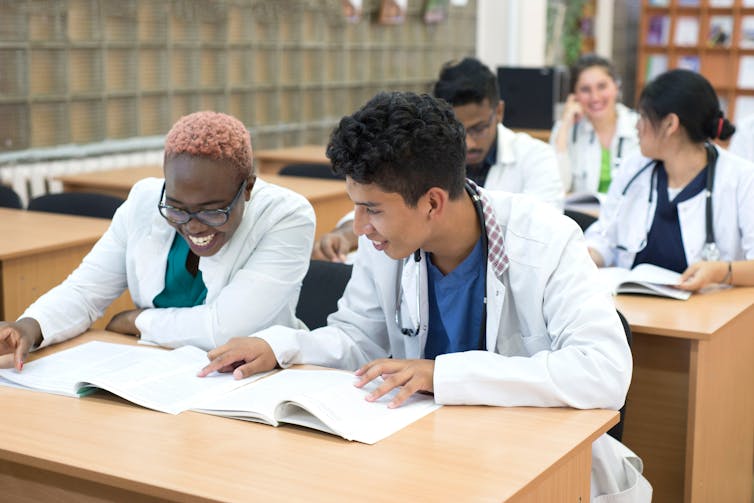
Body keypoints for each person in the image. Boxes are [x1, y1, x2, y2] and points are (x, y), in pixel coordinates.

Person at [199, 92, 651, 502]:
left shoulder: (545, 240)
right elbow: (358, 340)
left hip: (530, 466)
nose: (358, 227)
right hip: (421, 457)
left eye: (372, 209)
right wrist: (280, 345)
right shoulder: (387, 246)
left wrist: (442, 374)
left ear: (432, 203)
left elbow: (604, 371)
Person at [0, 111, 315, 371]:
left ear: (247, 189)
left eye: (211, 210)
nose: (192, 225)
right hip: (155, 372)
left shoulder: (287, 215)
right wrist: (30, 326)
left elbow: (227, 328)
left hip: (248, 379)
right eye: (177, 208)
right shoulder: (144, 200)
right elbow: (85, 290)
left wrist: (138, 320)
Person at [312, 57, 563, 262]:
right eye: (461, 131)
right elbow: (383, 200)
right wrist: (345, 235)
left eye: (478, 129)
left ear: (498, 112)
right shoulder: (426, 152)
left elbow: (537, 231)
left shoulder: (535, 157)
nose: (470, 143)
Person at [585, 69, 754, 292]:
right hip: (630, 311)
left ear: (670, 125)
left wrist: (721, 271)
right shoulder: (633, 168)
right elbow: (604, 238)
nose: (636, 126)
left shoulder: (741, 178)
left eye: (643, 117)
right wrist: (585, 256)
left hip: (705, 319)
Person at [551, 54, 640, 194]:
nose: (595, 97)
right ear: (575, 95)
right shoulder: (566, 129)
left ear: (616, 87)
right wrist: (565, 124)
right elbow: (558, 188)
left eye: (602, 86)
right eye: (585, 89)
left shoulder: (638, 126)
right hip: (582, 215)